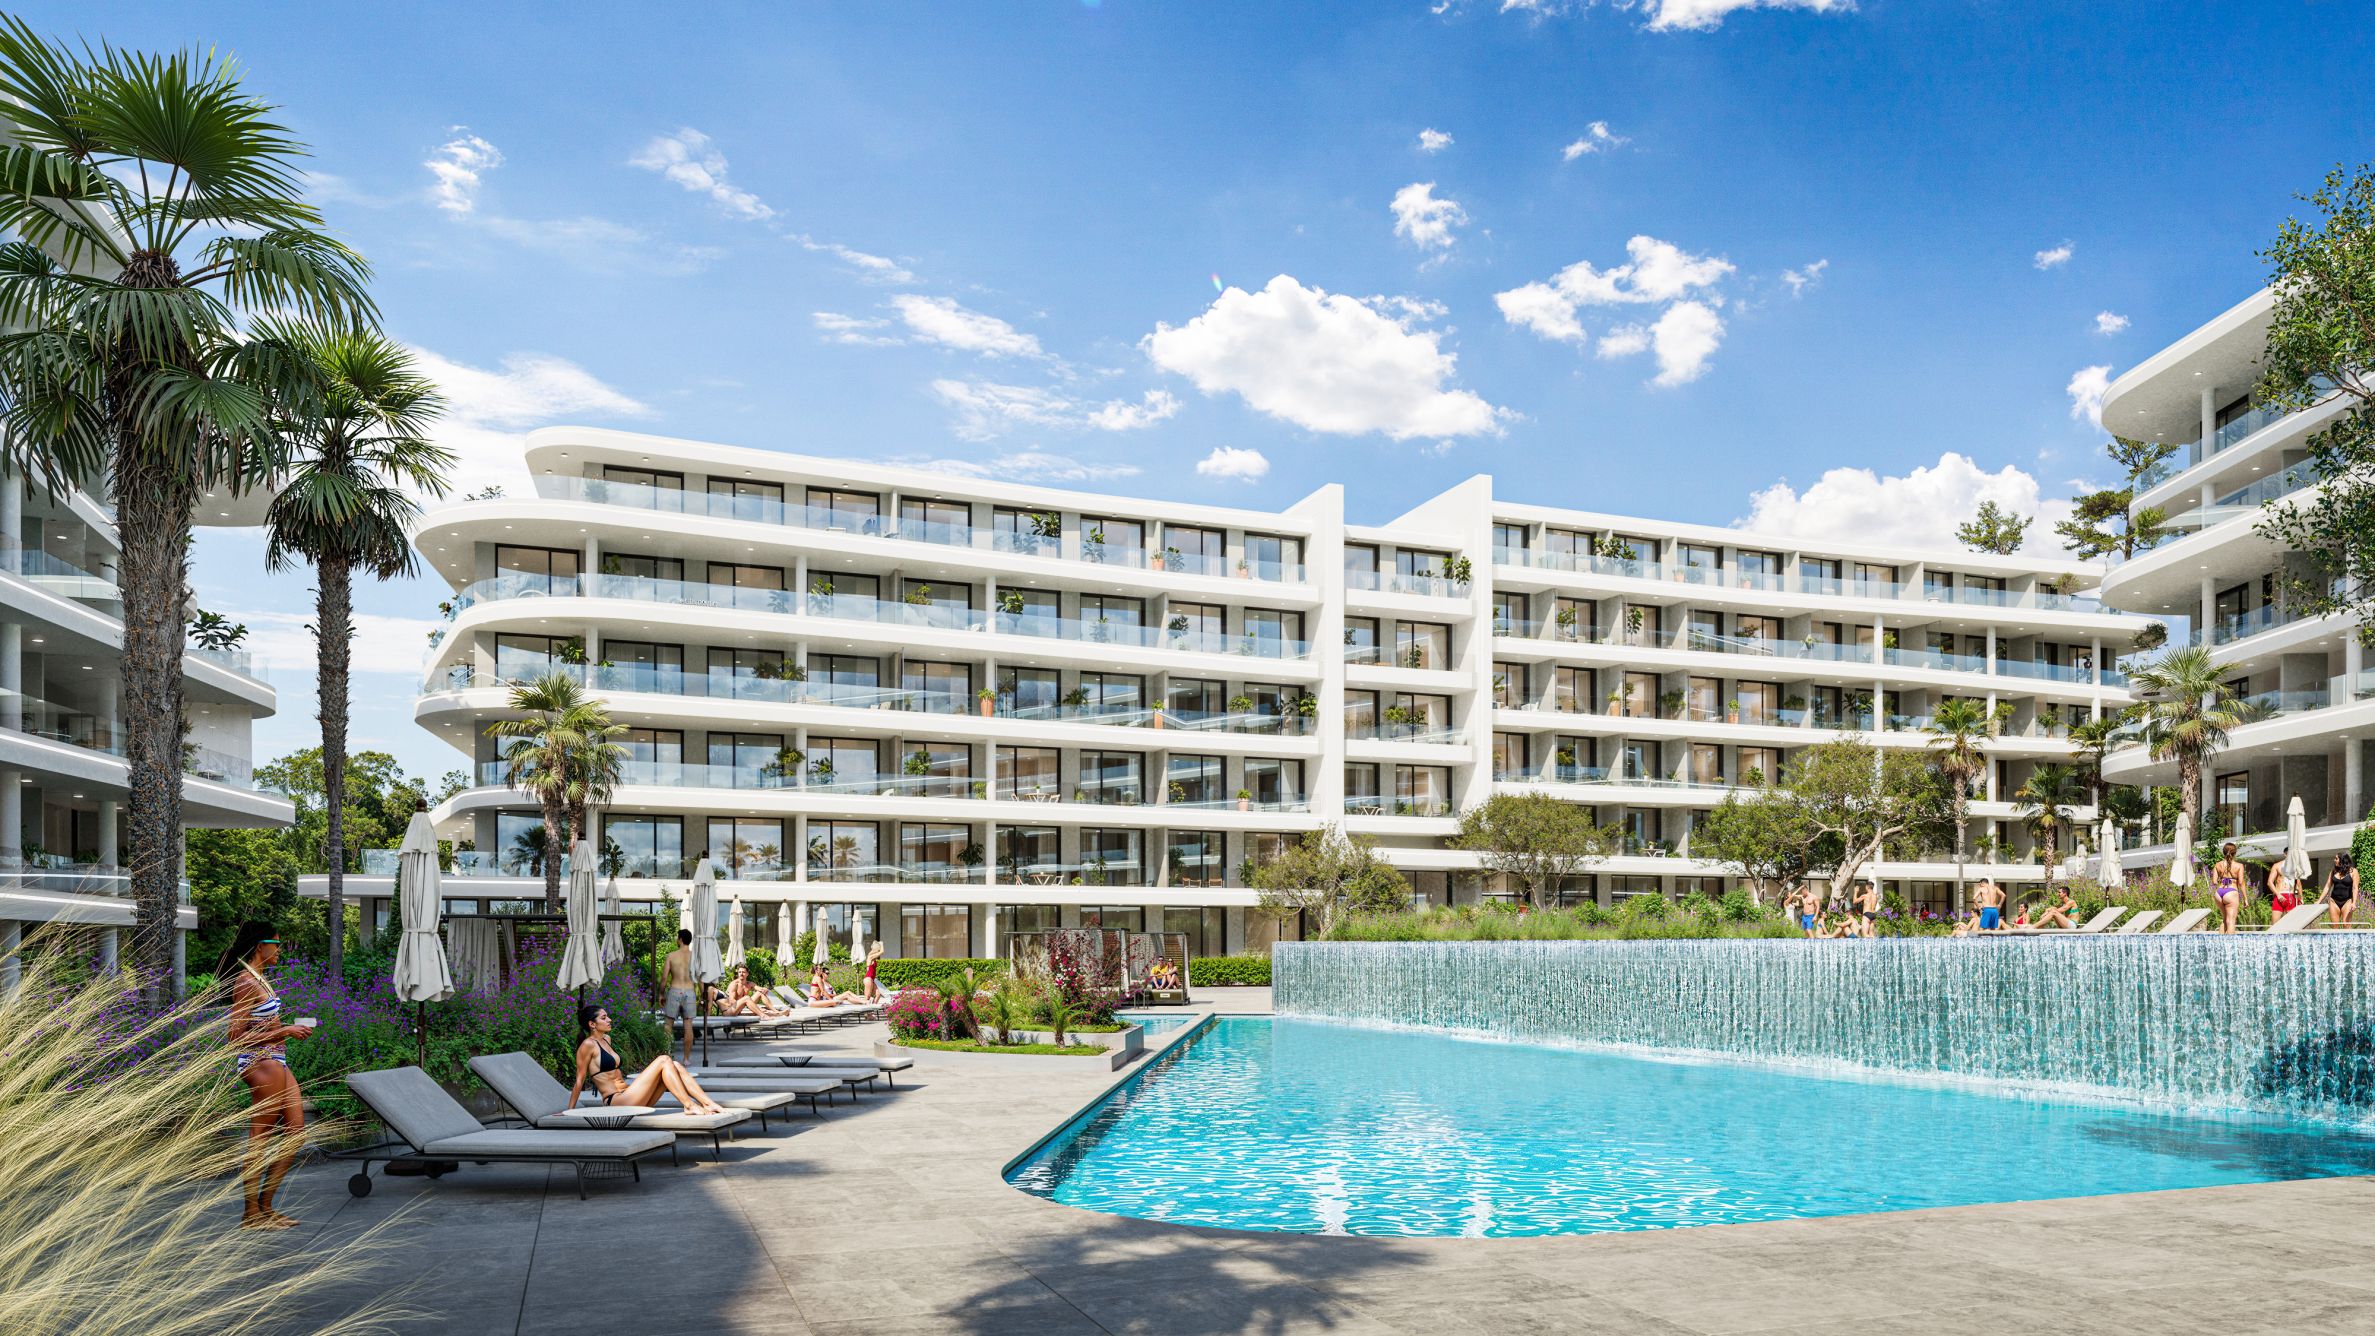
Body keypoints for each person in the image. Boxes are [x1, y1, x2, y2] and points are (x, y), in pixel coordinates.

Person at [217, 921, 312, 1230]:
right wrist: (284, 1031)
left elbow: (264, 1022)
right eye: (276, 944)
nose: (280, 950)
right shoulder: (245, 981)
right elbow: (234, 1037)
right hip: (260, 1063)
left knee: (296, 1133)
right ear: (261, 946)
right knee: (260, 1139)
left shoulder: (260, 978)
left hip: (276, 1060)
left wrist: (287, 1030)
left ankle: (266, 1208)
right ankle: (251, 1214)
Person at [567, 1006, 729, 1114]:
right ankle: (689, 1105)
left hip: (631, 1096)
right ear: (592, 1024)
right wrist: (569, 1111)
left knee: (675, 1065)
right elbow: (579, 1080)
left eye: (607, 1016)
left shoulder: (606, 1039)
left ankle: (708, 1103)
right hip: (617, 1102)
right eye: (604, 1018)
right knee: (664, 1060)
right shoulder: (587, 1045)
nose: (609, 1020)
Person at [660, 928, 698, 1060]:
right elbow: (700, 977)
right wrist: (703, 994)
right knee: (688, 1026)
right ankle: (686, 1059)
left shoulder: (671, 956)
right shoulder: (694, 957)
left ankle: (667, 1056)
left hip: (675, 991)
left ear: (680, 939)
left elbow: (664, 978)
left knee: (668, 1025)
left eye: (677, 938)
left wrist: (661, 994)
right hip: (690, 991)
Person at [720, 964, 788, 1017]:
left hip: (746, 1004)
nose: (741, 974)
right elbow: (732, 1001)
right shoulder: (734, 984)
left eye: (743, 972)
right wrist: (753, 1007)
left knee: (760, 993)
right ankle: (775, 1014)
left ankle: (775, 1011)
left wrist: (764, 989)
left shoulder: (749, 984)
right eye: (739, 972)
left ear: (747, 974)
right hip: (735, 1007)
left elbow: (759, 989)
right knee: (751, 1003)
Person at [2210, 843, 2249, 934]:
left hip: (2219, 892)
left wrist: (2223, 879)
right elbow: (2241, 883)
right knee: (2231, 921)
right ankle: (2229, 943)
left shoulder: (2217, 865)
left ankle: (2220, 942)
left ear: (2223, 852)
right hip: (2231, 892)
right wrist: (2245, 898)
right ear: (2235, 853)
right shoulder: (2239, 866)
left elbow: (2214, 882)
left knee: (2224, 919)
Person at [805, 963, 869, 1007]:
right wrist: (831, 999)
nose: (821, 969)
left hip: (816, 1001)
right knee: (834, 1002)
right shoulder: (818, 978)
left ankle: (863, 1002)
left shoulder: (817, 978)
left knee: (836, 1002)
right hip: (813, 1001)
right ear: (816, 970)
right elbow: (823, 992)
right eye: (820, 968)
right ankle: (863, 1002)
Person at [2325, 853, 2360, 927]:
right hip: (2334, 901)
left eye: (2336, 858)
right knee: (2335, 926)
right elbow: (2327, 887)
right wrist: (2318, 901)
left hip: (2347, 901)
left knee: (2346, 925)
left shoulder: (2353, 871)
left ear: (2342, 860)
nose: (2334, 860)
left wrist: (2354, 903)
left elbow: (2355, 887)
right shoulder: (2334, 871)